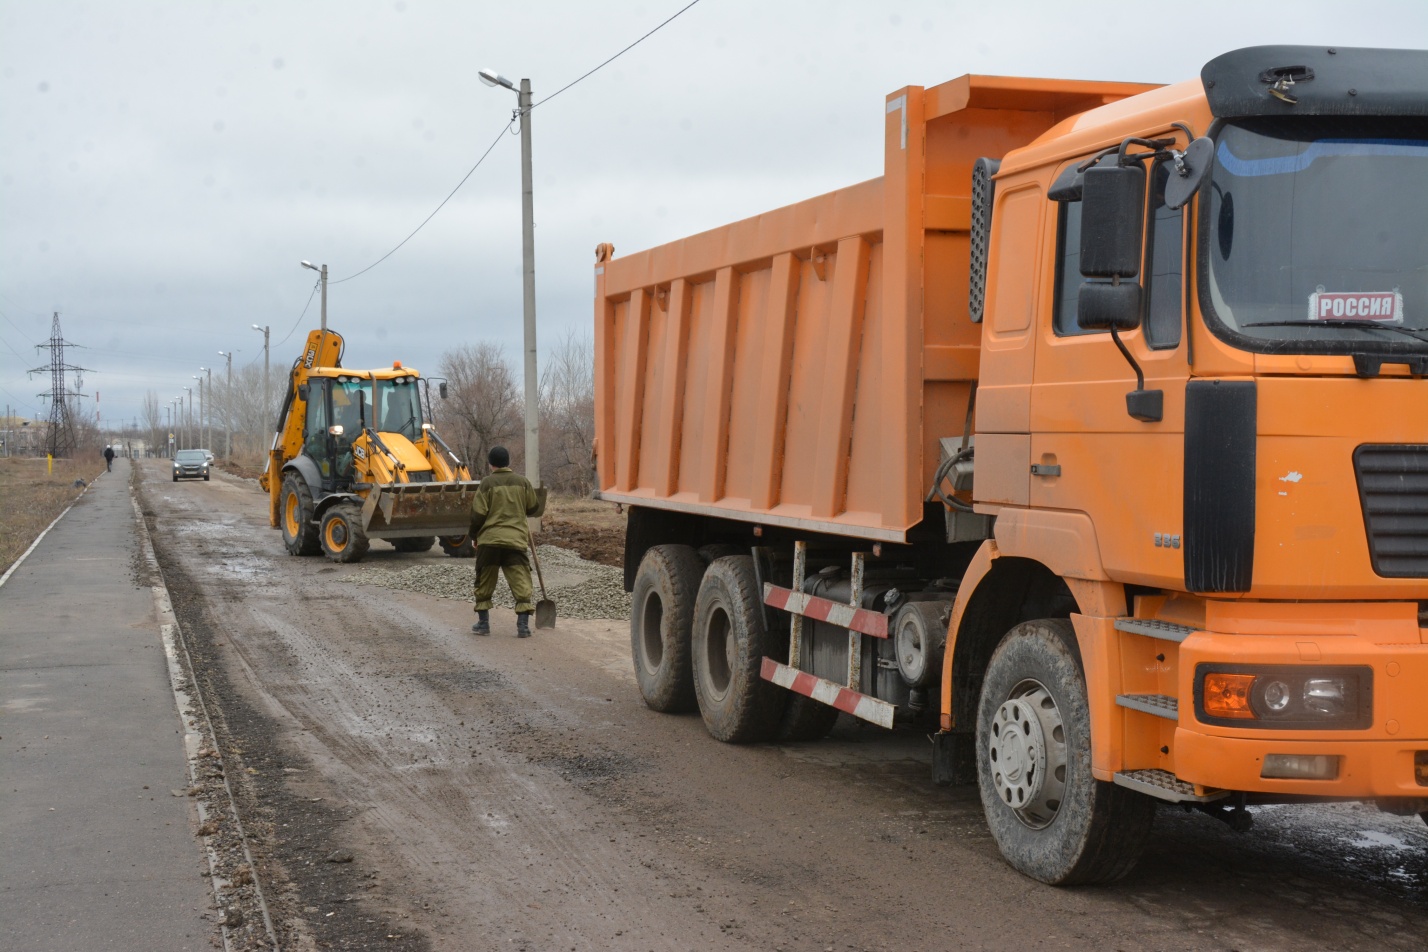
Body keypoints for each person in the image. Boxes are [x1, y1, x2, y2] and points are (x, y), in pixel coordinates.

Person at [469, 445, 546, 637]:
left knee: (484, 581)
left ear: (490, 464)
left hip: (490, 542)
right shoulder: (522, 482)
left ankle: (483, 624)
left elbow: (478, 514)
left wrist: (474, 535)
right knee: (521, 581)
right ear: (508, 462)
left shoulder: (486, 484)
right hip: (515, 541)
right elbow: (533, 507)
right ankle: (523, 626)